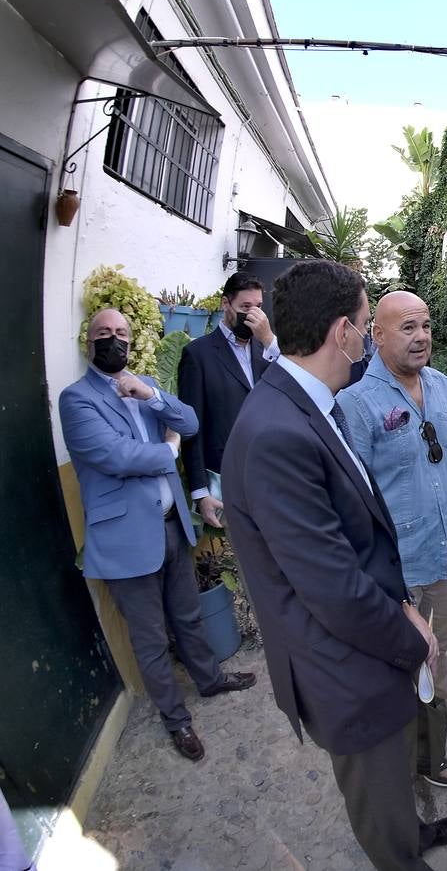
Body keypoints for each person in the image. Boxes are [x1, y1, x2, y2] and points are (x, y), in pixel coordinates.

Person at [221, 262, 447, 870]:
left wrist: (405, 602)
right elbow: (332, 588)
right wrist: (412, 640)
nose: (363, 340)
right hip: (342, 662)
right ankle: (401, 855)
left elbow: (355, 532)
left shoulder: (304, 404)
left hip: (369, 636)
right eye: (361, 325)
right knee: (378, 790)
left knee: (393, 784)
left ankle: (410, 832)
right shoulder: (278, 430)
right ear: (342, 333)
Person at [58, 309, 256, 763]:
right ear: (88, 342)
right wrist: (168, 449)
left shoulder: (142, 385)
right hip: (126, 539)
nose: (114, 340)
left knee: (187, 617)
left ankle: (209, 679)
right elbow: (116, 456)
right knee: (150, 638)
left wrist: (152, 394)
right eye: (104, 333)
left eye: (122, 333)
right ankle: (176, 721)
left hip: (171, 527)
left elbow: (189, 422)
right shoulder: (77, 399)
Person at [336, 290, 447, 788]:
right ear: (377, 335)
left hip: (438, 551)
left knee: (441, 648)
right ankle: (423, 754)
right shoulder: (355, 404)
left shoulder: (440, 385)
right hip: (392, 566)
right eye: (407, 328)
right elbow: (353, 501)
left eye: (426, 326)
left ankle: (444, 709)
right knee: (407, 659)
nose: (421, 338)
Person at [177, 271, 280, 528]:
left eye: (258, 307)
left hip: (268, 476)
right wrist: (200, 491)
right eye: (245, 307)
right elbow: (192, 426)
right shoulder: (198, 355)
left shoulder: (267, 350)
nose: (253, 314)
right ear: (226, 304)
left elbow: (293, 385)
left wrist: (269, 341)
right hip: (225, 479)